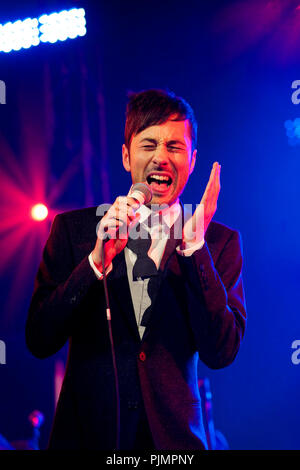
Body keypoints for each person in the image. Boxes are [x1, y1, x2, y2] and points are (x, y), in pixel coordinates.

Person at [26, 89, 246, 450]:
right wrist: (94, 264)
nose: (161, 157)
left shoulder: (217, 242)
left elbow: (221, 352)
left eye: (174, 147)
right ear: (127, 156)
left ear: (191, 159)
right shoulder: (75, 231)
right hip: (86, 438)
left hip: (175, 445)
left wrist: (195, 249)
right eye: (149, 145)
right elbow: (38, 338)